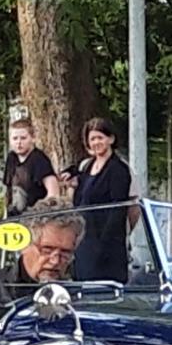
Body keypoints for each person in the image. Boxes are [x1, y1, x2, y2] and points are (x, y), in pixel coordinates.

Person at [0, 204, 87, 337]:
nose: (55, 261)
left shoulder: (78, 296)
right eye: (47, 250)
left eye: (65, 253)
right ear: (24, 245)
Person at [69, 117, 134, 282]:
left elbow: (118, 210)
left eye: (100, 137)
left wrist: (103, 245)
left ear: (111, 139)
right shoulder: (87, 167)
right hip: (84, 241)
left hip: (105, 245)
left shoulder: (119, 169)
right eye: (92, 139)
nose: (96, 142)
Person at [2, 118, 59, 217]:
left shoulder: (39, 159)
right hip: (14, 217)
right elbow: (8, 191)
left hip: (36, 218)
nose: (19, 142)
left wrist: (43, 214)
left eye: (23, 138)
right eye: (15, 138)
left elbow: (53, 193)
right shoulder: (11, 158)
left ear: (33, 138)